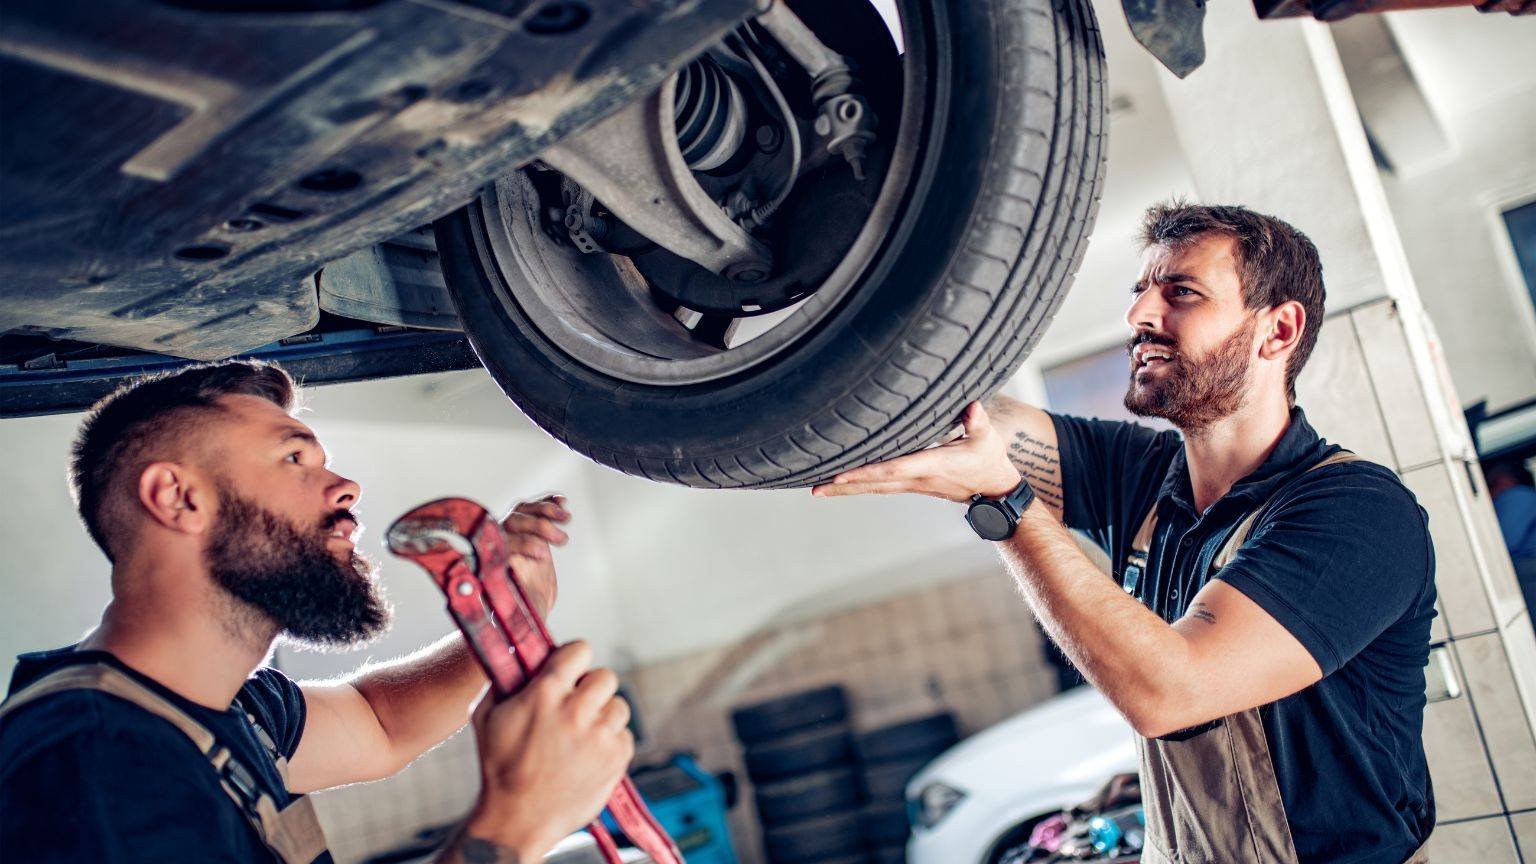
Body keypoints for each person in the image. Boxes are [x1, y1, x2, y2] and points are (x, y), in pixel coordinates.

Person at [815, 202, 1437, 864]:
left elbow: (1172, 692)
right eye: (1140, 292)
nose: (1139, 317)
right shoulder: (1142, 480)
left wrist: (1002, 502)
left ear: (1277, 330)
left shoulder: (1355, 514)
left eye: (1182, 293)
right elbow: (965, 418)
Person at [0, 361, 633, 864]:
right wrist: (517, 821)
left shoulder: (219, 711)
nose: (345, 487)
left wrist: (504, 618)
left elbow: (381, 724)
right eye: (294, 458)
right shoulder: (92, 767)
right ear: (178, 498)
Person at [1485, 456, 1536, 622]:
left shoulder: (1516, 496)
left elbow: (1501, 545)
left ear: (1506, 479)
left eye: (1492, 484)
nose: (1489, 493)